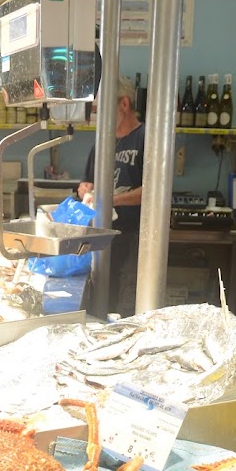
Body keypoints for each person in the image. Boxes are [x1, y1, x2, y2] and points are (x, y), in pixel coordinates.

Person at [78, 74, 145, 317]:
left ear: (124, 104)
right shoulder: (102, 143)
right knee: (100, 302)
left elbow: (153, 192)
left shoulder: (146, 139)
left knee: (127, 307)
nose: (98, 116)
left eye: (102, 109)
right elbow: (87, 183)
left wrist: (110, 200)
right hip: (101, 239)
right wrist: (86, 189)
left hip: (133, 239)